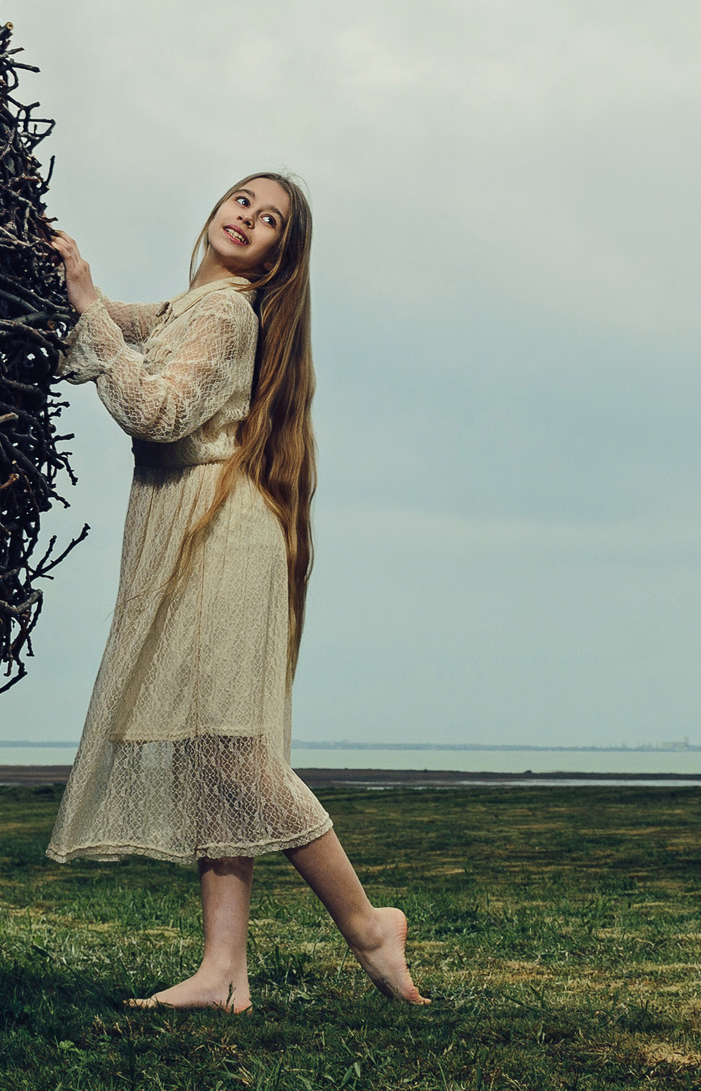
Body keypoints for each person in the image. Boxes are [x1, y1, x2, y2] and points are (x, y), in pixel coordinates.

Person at [45, 172, 424, 1012]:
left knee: (233, 751)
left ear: (279, 256)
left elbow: (156, 412)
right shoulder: (194, 307)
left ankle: (369, 924)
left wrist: (87, 305)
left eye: (271, 220)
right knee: (215, 751)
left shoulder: (225, 314)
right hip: (206, 528)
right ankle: (222, 972)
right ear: (217, 208)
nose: (248, 218)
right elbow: (125, 321)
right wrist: (76, 286)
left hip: (217, 535)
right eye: (243, 201)